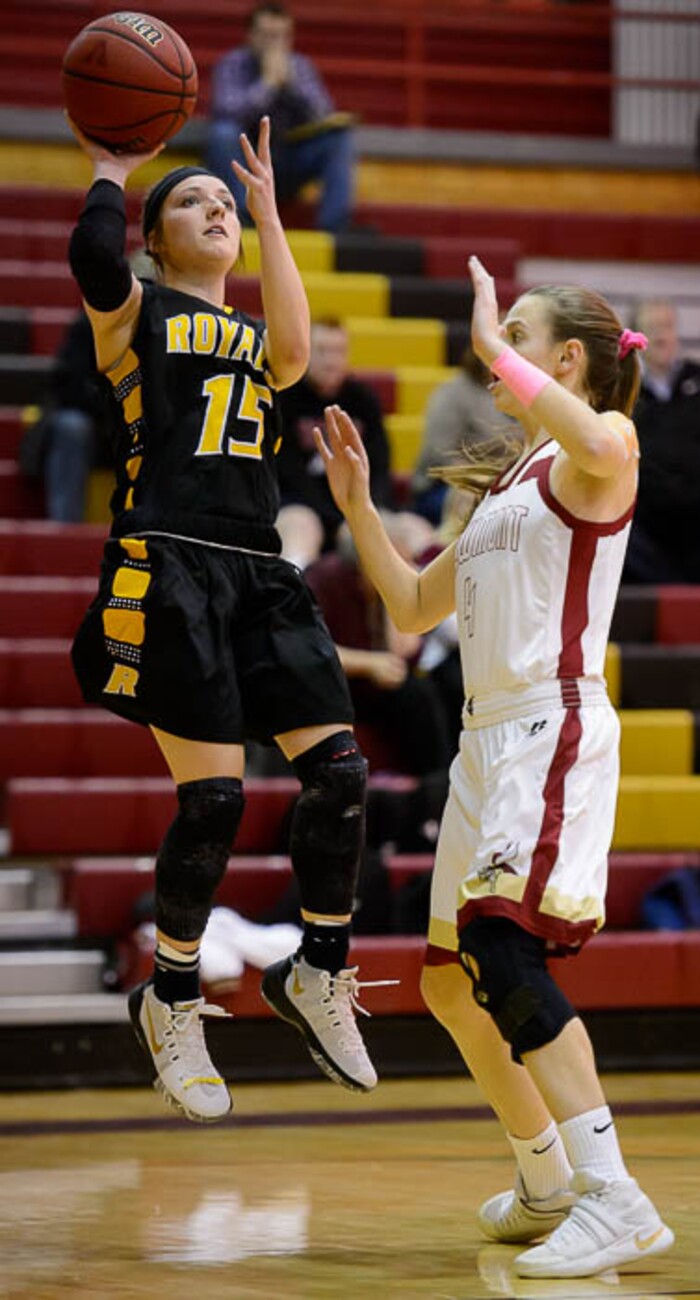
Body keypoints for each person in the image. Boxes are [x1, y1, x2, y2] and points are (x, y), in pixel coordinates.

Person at [314, 260, 675, 1278]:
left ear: (565, 358)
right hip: (484, 742)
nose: (496, 343)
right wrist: (356, 505)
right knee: (445, 983)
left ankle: (617, 1199)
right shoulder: (514, 479)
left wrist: (488, 350)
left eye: (516, 331)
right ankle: (547, 1179)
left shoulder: (604, 452)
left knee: (503, 954)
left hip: (545, 728)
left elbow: (596, 434)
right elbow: (413, 605)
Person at [65, 113, 380, 1124]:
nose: (214, 209)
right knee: (212, 806)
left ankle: (316, 970)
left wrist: (269, 212)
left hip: (259, 570)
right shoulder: (136, 316)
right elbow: (90, 257)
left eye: (221, 203)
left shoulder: (249, 334)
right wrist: (114, 172)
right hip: (170, 565)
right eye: (190, 201)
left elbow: (291, 350)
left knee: (338, 772)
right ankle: (170, 996)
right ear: (154, 239)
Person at [305, 514, 454, 777]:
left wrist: (390, 598)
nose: (407, 569)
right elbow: (306, 650)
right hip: (332, 687)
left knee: (436, 685)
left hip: (376, 690)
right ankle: (435, 784)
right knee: (417, 696)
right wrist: (368, 664)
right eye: (400, 560)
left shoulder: (379, 587)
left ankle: (436, 785)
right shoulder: (324, 578)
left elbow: (406, 651)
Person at [207, 2, 354, 233]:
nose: (274, 43)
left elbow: (322, 115)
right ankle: (242, 218)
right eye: (266, 35)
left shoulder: (300, 66)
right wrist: (268, 85)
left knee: (337, 137)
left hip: (287, 162)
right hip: (245, 164)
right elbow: (226, 111)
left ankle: (334, 227)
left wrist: (291, 86)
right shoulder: (232, 63)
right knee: (223, 133)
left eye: (280, 36)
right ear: (250, 35)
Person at [277, 318, 395, 567]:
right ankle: (290, 597)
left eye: (338, 352)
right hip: (299, 505)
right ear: (306, 352)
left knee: (407, 529)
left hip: (355, 507)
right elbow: (287, 473)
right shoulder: (285, 399)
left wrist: (361, 510)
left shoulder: (363, 400)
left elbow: (380, 467)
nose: (331, 361)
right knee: (302, 526)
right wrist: (336, 516)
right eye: (322, 351)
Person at [623, 297, 700, 582]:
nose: (661, 335)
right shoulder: (623, 390)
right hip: (645, 517)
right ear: (635, 338)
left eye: (667, 326)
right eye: (652, 328)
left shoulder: (696, 378)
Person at [411, 338, 520, 526]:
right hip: (446, 488)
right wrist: (485, 482)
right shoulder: (453, 393)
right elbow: (439, 454)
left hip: (506, 488)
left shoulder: (524, 395)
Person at [19, 311, 112, 522]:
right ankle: (64, 527)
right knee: (71, 427)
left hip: (143, 427)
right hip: (98, 425)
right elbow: (69, 387)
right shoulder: (87, 325)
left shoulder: (163, 328)